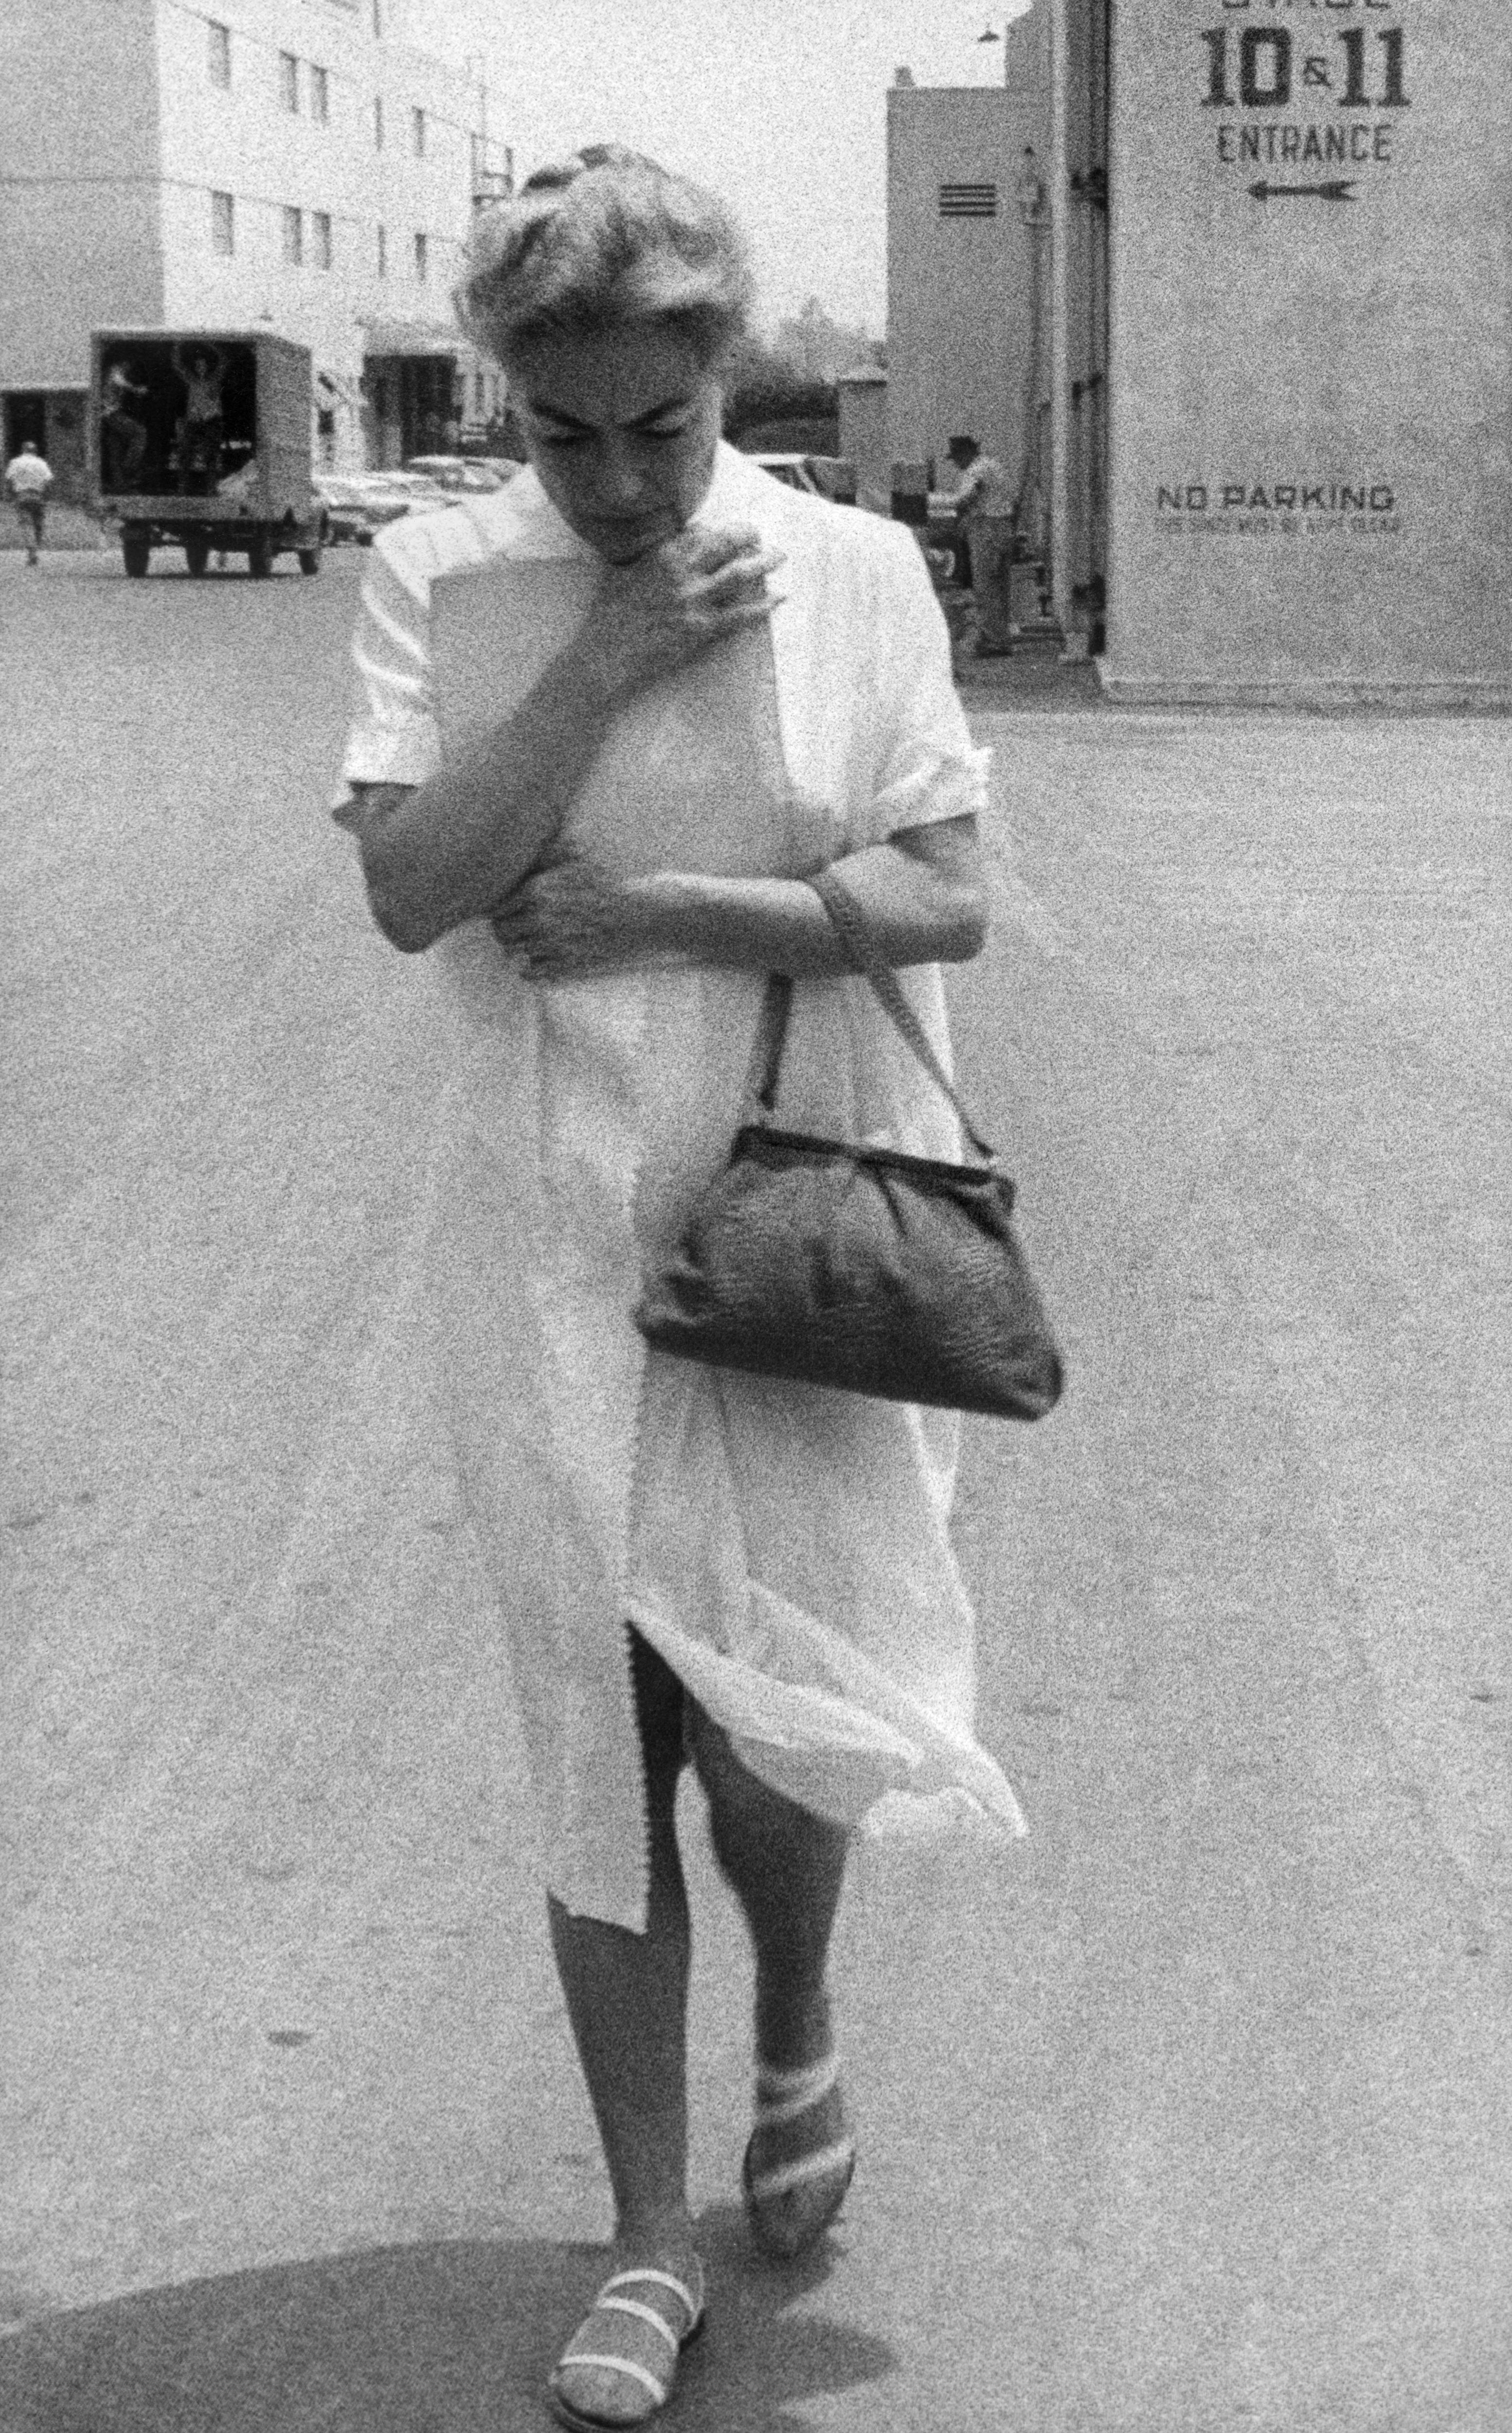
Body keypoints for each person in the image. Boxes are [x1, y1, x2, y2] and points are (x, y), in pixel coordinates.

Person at [332, 145, 1026, 2432]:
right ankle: (648, 2233)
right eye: (568, 433)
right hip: (552, 1247)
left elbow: (947, 890)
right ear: (503, 402)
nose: (621, 480)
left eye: (663, 424)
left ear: (733, 379)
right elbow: (416, 887)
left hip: (799, 1221)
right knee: (600, 1729)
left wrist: (673, 916)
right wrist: (606, 661)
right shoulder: (442, 577)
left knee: (780, 1716)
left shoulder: (857, 571)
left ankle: (799, 2018)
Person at [946, 433, 1016, 658]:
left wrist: (947, 506)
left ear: (966, 454)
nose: (956, 464)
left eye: (957, 458)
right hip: (1002, 527)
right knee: (999, 587)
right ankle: (1000, 636)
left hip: (987, 529)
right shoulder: (992, 465)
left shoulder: (977, 470)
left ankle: (994, 640)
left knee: (986, 586)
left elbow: (966, 497)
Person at [172, 341, 225, 491]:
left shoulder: (214, 380)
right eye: (198, 365)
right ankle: (183, 487)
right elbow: (178, 366)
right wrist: (177, 347)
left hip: (210, 420)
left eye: (203, 365)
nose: (200, 367)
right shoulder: (192, 380)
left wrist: (213, 345)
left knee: (211, 454)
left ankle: (211, 487)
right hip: (194, 420)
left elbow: (223, 363)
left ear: (207, 367)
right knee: (186, 453)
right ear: (195, 368)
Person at [101, 359, 150, 490]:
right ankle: (130, 468)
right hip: (111, 413)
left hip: (108, 413)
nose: (128, 369)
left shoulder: (113, 372)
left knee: (115, 447)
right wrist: (138, 390)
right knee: (140, 433)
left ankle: (119, 483)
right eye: (127, 365)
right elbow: (121, 382)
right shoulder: (114, 370)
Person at [4, 438, 53, 565]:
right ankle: (36, 547)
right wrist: (47, 496)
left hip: (22, 496)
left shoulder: (15, 462)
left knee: (26, 524)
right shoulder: (41, 463)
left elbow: (9, 480)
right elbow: (48, 481)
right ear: (35, 451)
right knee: (38, 525)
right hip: (38, 496)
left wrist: (10, 495)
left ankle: (32, 551)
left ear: (23, 450)